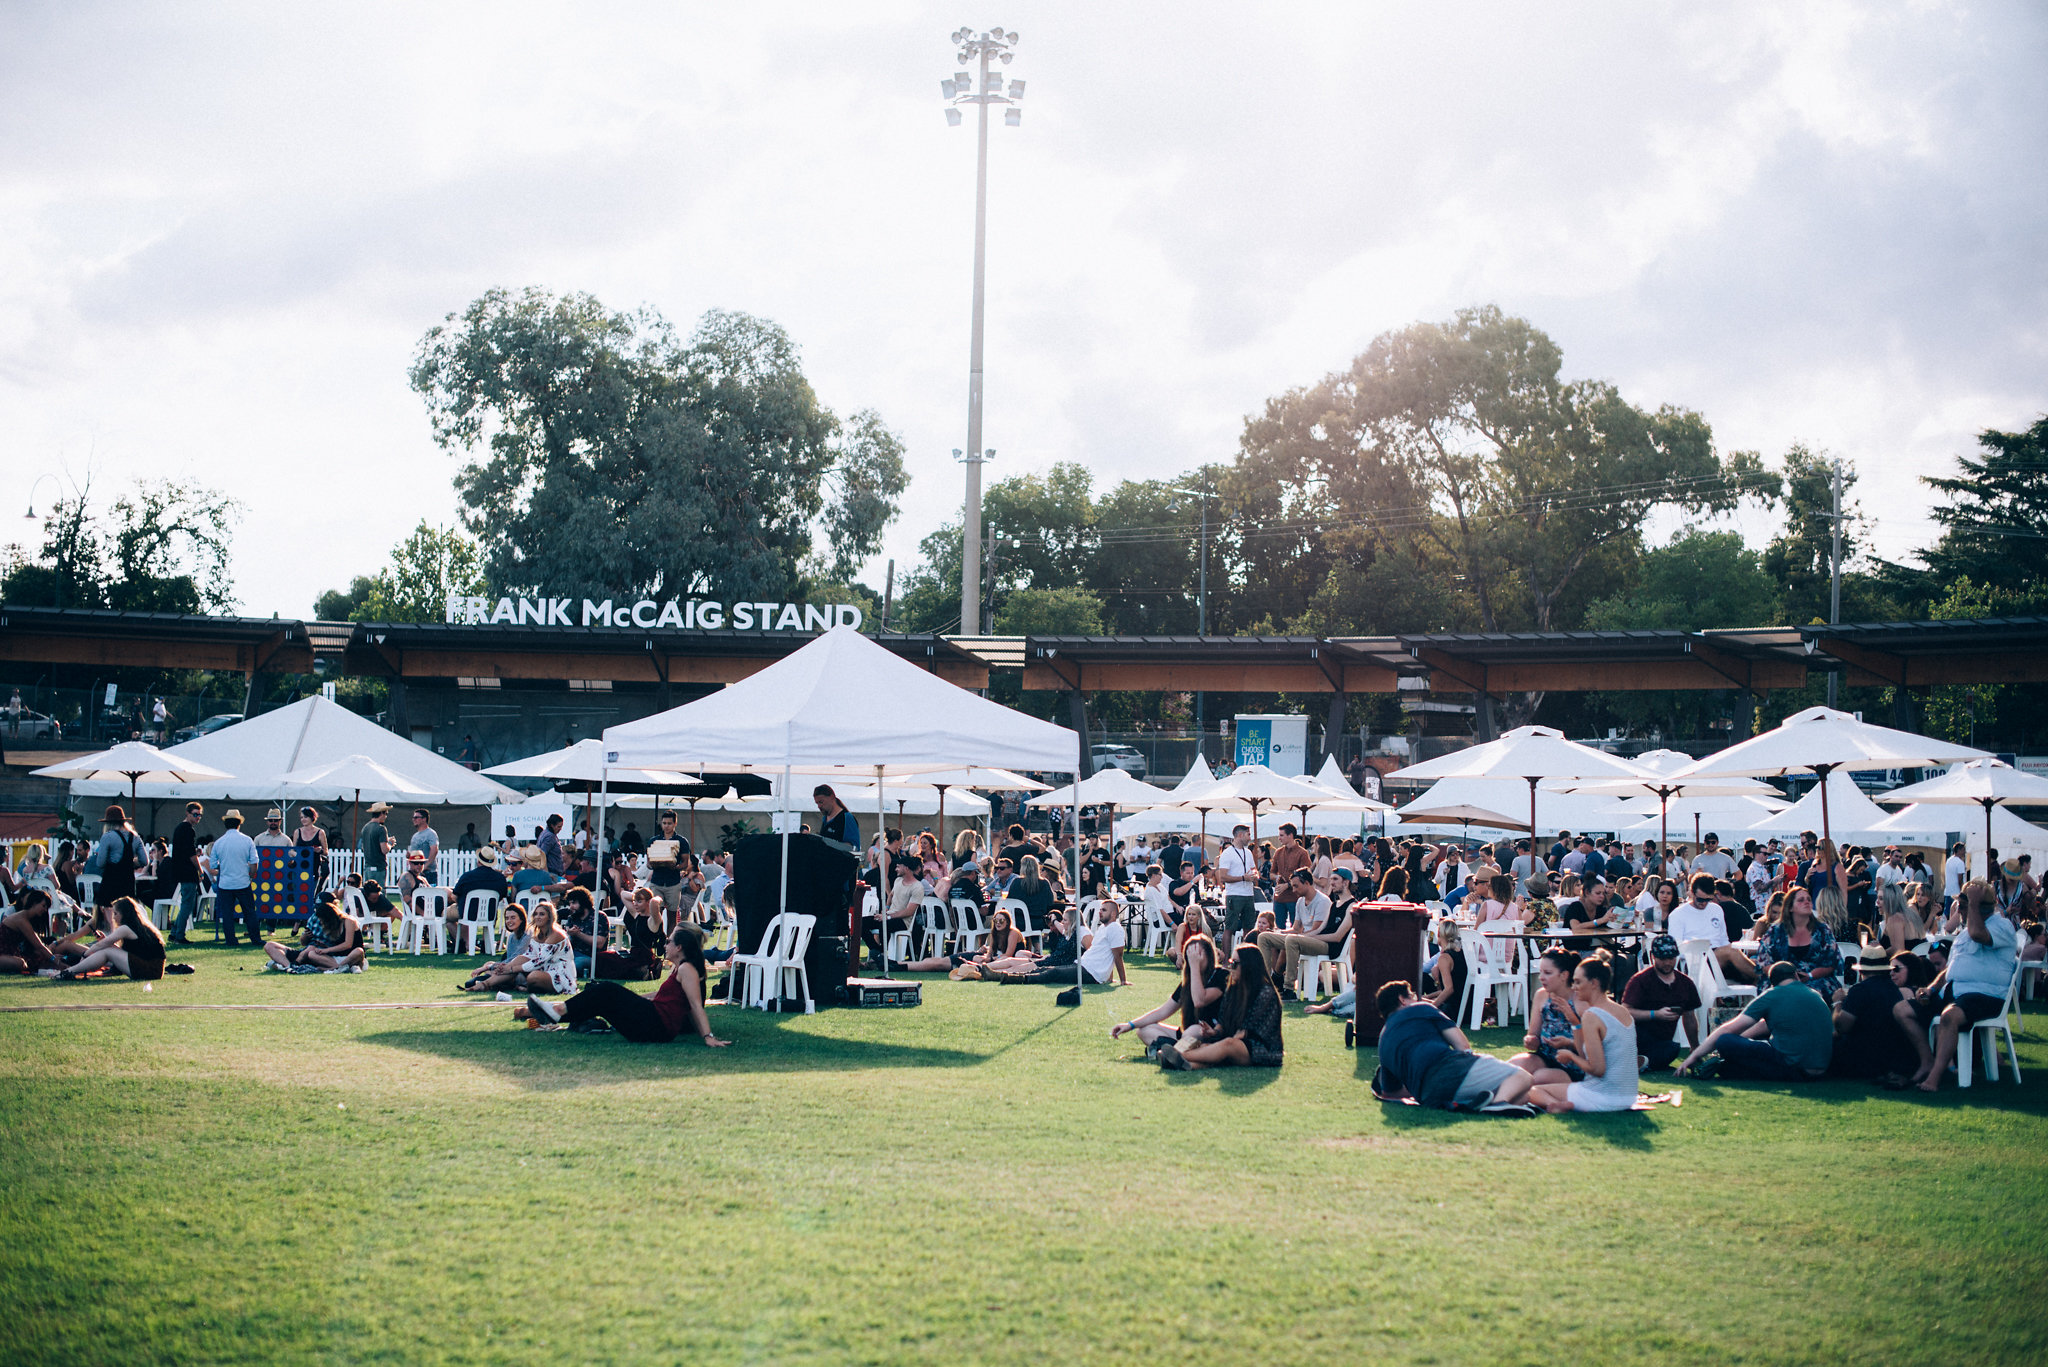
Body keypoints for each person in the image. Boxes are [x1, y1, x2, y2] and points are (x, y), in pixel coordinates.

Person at [519, 924, 729, 1046]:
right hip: (654, 1022)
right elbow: (669, 998)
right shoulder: (680, 968)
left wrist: (708, 1037)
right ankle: (558, 1016)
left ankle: (556, 1012)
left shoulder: (687, 969)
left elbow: (695, 1005)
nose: (665, 945)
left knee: (608, 990)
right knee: (601, 992)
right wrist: (632, 998)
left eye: (669, 942)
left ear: (679, 947)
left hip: (657, 1027)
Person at [1903, 878, 2018, 1092]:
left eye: (1962, 906)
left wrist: (1973, 903)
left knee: (1949, 1016)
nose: (1958, 910)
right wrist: (1932, 988)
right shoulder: (1964, 933)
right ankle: (1926, 1060)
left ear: (1977, 907)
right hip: (1954, 994)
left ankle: (1934, 1079)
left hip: (1985, 995)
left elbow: (1979, 935)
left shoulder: (2002, 926)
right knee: (1902, 1009)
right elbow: (1951, 969)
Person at [1371, 980, 1535, 1109]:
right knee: (1522, 1078)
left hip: (1427, 1095)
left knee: (1521, 1097)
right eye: (1413, 996)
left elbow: (1390, 1092)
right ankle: (1496, 1106)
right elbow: (1462, 1045)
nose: (1417, 999)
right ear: (1402, 1000)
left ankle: (1489, 1103)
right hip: (1451, 1069)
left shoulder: (1383, 1041)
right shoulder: (1421, 1009)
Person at [1677, 961, 1833, 1081]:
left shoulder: (1772, 995)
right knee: (1729, 1067)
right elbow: (1764, 1025)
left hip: (1792, 1067)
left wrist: (1694, 1056)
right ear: (1796, 976)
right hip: (1820, 1069)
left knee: (1725, 1041)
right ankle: (1725, 1066)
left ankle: (1723, 1064)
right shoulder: (1815, 994)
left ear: (1772, 983)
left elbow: (1727, 1030)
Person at [1527, 956, 1639, 1112]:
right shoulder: (1622, 1011)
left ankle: (1559, 1105)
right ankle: (1560, 1104)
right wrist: (1575, 1023)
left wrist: (1570, 1056)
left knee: (1533, 1091)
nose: (1574, 987)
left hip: (1602, 1096)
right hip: (1628, 1097)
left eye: (1578, 982)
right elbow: (1587, 1053)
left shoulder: (1592, 1015)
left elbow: (1597, 1069)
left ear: (1593, 983)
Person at [1157, 942, 1283, 1070]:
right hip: (1236, 1042)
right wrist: (1214, 1032)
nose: (1230, 967)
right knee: (1211, 1049)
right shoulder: (1233, 989)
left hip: (1261, 1049)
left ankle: (1179, 1055)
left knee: (1226, 1045)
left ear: (1248, 966)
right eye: (1230, 962)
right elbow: (1223, 1021)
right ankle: (1187, 1065)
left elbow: (1245, 1032)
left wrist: (1219, 1042)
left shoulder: (1265, 993)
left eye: (1234, 964)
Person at [1113, 933, 1227, 1057]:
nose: (1193, 959)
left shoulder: (1220, 975)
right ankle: (1172, 1050)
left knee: (1193, 1031)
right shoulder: (1188, 982)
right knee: (1144, 1030)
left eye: (1197, 955)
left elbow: (1199, 1000)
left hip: (1209, 1032)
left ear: (1209, 956)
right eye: (1190, 955)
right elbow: (1163, 1011)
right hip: (1185, 1035)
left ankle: (1167, 1051)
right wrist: (1130, 1025)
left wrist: (1194, 966)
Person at [1831, 952, 1935, 1083]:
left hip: (1861, 1057)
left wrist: (1837, 1003)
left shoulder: (1859, 990)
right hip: (1888, 1058)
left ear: (1862, 970)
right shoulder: (1894, 990)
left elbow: (1842, 1026)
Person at [1620, 934, 1705, 1070]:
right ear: (1653, 956)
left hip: (1662, 1041)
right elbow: (1624, 1012)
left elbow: (1689, 1017)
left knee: (1672, 1049)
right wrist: (1655, 1014)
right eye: (1662, 959)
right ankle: (1634, 1061)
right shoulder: (1641, 980)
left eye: (1671, 958)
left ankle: (1641, 1063)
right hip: (1636, 1035)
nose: (1667, 963)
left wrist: (1695, 1048)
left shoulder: (1685, 983)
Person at [1256, 868, 1343, 992]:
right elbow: (1296, 928)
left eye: (1296, 886)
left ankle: (1288, 987)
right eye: (1293, 886)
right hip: (1301, 938)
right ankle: (1266, 982)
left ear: (1307, 883)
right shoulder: (1300, 902)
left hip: (1319, 941)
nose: (1294, 890)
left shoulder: (1322, 901)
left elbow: (1316, 931)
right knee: (1264, 937)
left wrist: (1294, 936)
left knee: (1291, 940)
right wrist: (1279, 932)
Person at [1747, 886, 1843, 988]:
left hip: (1815, 979)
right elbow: (1764, 963)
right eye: (1801, 900)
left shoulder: (1822, 930)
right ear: (1790, 907)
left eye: (1809, 899)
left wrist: (1810, 975)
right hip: (1781, 979)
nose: (1806, 902)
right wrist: (1786, 977)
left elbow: (1832, 963)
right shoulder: (1775, 931)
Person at [1669, 872, 1756, 983]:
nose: (1704, 903)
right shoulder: (1678, 914)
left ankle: (1761, 989)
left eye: (1708, 899)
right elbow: (1676, 948)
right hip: (1694, 960)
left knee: (1749, 971)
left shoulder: (1716, 909)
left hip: (1719, 958)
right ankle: (1766, 979)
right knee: (1732, 952)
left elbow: (1723, 940)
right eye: (1700, 899)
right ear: (1691, 893)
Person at [262, 895, 364, 973]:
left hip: (341, 955)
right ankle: (290, 967)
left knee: (358, 951)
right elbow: (303, 942)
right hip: (315, 953)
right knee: (269, 945)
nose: (322, 923)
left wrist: (325, 949)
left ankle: (335, 968)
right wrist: (305, 937)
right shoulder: (319, 919)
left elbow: (347, 944)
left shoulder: (347, 921)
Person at [209, 809, 263, 946]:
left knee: (227, 914)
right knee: (250, 912)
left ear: (225, 824)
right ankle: (255, 939)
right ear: (239, 824)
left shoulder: (219, 843)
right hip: (243, 882)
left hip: (225, 883)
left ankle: (230, 940)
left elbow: (213, 865)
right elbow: (254, 862)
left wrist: (225, 867)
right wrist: (250, 875)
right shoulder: (247, 840)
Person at [85, 805, 147, 908]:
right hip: (128, 880)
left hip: (111, 880)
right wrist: (131, 862)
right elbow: (144, 861)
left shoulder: (108, 837)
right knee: (126, 910)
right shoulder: (135, 837)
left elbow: (100, 863)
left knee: (108, 912)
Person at [461, 904, 532, 992]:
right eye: (507, 918)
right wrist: (491, 966)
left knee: (491, 968)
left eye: (513, 917)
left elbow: (516, 959)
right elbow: (509, 959)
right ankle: (495, 982)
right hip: (509, 968)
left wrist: (488, 968)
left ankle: (489, 983)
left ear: (521, 919)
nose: (509, 921)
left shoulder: (528, 935)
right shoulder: (511, 936)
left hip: (521, 971)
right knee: (489, 963)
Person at [166, 801, 205, 944]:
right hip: (187, 871)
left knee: (185, 903)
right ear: (187, 814)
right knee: (187, 905)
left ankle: (174, 932)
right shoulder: (188, 829)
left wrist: (194, 852)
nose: (197, 818)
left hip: (180, 870)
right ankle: (179, 936)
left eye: (199, 815)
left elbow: (185, 850)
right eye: (195, 814)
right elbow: (190, 855)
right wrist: (200, 870)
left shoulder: (179, 828)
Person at [1216, 824, 1259, 952]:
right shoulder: (1227, 853)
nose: (1250, 838)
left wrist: (1255, 875)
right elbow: (1222, 877)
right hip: (1234, 894)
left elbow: (1253, 870)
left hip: (1249, 894)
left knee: (1249, 928)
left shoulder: (1248, 852)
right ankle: (1225, 960)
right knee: (1230, 928)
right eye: (1248, 835)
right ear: (1240, 835)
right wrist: (1242, 878)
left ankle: (1246, 958)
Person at [813, 785, 860, 851]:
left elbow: (853, 848)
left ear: (832, 797)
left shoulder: (847, 818)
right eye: (817, 803)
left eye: (821, 802)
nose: (819, 806)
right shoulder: (825, 819)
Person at [359, 802, 393, 888]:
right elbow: (384, 850)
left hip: (368, 867)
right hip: (379, 867)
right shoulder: (381, 828)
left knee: (368, 893)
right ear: (381, 813)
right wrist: (390, 844)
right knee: (378, 893)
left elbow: (364, 847)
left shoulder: (365, 828)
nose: (386, 816)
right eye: (386, 814)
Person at [407, 808, 440, 874]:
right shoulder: (415, 836)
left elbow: (434, 850)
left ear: (424, 819)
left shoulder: (431, 833)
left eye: (416, 817)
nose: (414, 819)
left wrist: (425, 866)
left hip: (428, 872)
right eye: (413, 818)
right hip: (416, 872)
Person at [1942, 841, 1968, 915]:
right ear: (1959, 850)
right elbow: (1960, 879)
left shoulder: (1949, 860)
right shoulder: (1960, 863)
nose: (1965, 852)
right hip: (1956, 893)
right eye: (1963, 850)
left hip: (1948, 891)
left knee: (1947, 913)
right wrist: (1963, 892)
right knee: (1956, 914)